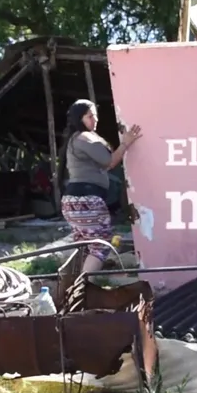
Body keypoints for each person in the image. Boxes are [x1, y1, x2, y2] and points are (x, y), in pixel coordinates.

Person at [59, 99, 142, 275]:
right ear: (79, 119)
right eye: (89, 116)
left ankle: (69, 281)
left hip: (72, 200)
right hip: (87, 200)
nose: (95, 120)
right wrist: (126, 143)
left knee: (84, 245)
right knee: (101, 246)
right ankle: (83, 284)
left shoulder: (75, 139)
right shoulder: (85, 137)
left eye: (95, 116)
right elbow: (109, 162)